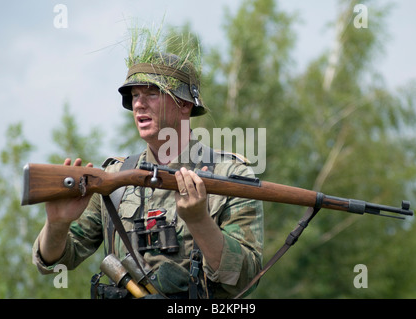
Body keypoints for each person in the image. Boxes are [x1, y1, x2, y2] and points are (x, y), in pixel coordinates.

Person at [32, 29, 264, 299]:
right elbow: (55, 263)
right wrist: (57, 224)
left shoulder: (231, 176)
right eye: (134, 95)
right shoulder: (113, 178)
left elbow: (245, 280)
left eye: (152, 93)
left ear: (185, 104)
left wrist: (199, 221)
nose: (139, 104)